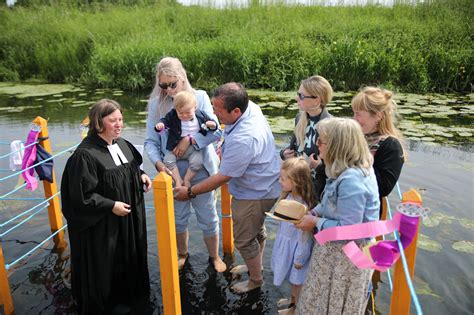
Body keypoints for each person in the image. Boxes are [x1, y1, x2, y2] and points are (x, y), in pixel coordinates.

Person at [174, 82, 281, 293]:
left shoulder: (244, 138)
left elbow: (223, 176)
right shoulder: (251, 108)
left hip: (254, 193)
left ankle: (255, 280)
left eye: (218, 110)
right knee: (256, 230)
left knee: (243, 239)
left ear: (236, 110)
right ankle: (255, 266)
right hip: (267, 184)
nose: (213, 113)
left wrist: (191, 192)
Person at [61, 99, 152, 314]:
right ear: (98, 123)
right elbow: (80, 196)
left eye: (120, 119)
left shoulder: (122, 144)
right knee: (107, 264)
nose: (119, 124)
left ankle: (130, 296)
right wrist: (111, 205)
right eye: (113, 120)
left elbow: (130, 168)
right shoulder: (85, 155)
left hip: (126, 221)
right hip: (103, 226)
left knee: (127, 257)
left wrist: (141, 176)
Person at [144, 57, 226, 272]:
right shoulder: (156, 104)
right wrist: (158, 163)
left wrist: (190, 140)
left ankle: (214, 256)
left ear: (182, 78)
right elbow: (151, 141)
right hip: (172, 170)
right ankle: (183, 254)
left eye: (173, 84)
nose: (169, 90)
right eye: (163, 85)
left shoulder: (199, 97)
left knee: (208, 216)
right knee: (179, 219)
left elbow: (216, 131)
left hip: (201, 169)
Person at [295, 118, 380, 315]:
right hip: (334, 253)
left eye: (321, 141)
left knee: (332, 305)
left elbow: (350, 230)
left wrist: (315, 222)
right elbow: (331, 204)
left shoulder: (352, 180)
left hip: (346, 259)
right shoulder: (342, 170)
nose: (317, 145)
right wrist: (315, 211)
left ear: (336, 145)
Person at [270, 157, 317, 314]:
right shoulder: (290, 197)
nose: (279, 181)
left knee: (297, 281)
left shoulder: (301, 206)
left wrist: (300, 257)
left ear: (296, 181)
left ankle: (294, 308)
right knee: (293, 279)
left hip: (297, 249)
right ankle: (293, 300)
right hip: (287, 244)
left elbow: (304, 237)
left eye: (283, 179)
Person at [351, 86, 406, 210]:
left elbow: (384, 188)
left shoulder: (391, 145)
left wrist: (357, 154)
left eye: (358, 114)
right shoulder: (358, 137)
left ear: (378, 116)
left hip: (365, 212)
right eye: (354, 113)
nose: (354, 119)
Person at [280, 75, 333, 201]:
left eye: (302, 96)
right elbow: (296, 147)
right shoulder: (299, 118)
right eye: (298, 94)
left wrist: (319, 167)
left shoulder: (331, 125)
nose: (296, 98)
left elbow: (334, 166)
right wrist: (284, 154)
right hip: (296, 187)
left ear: (317, 100)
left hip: (316, 192)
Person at [155, 90, 218, 188]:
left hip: (193, 148)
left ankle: (187, 179)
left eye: (188, 112)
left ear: (195, 108)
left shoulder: (200, 114)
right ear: (176, 110)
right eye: (181, 113)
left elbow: (213, 124)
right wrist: (161, 125)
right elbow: (164, 121)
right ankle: (178, 180)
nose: (184, 115)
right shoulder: (173, 115)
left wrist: (212, 125)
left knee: (198, 162)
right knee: (168, 160)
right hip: (175, 148)